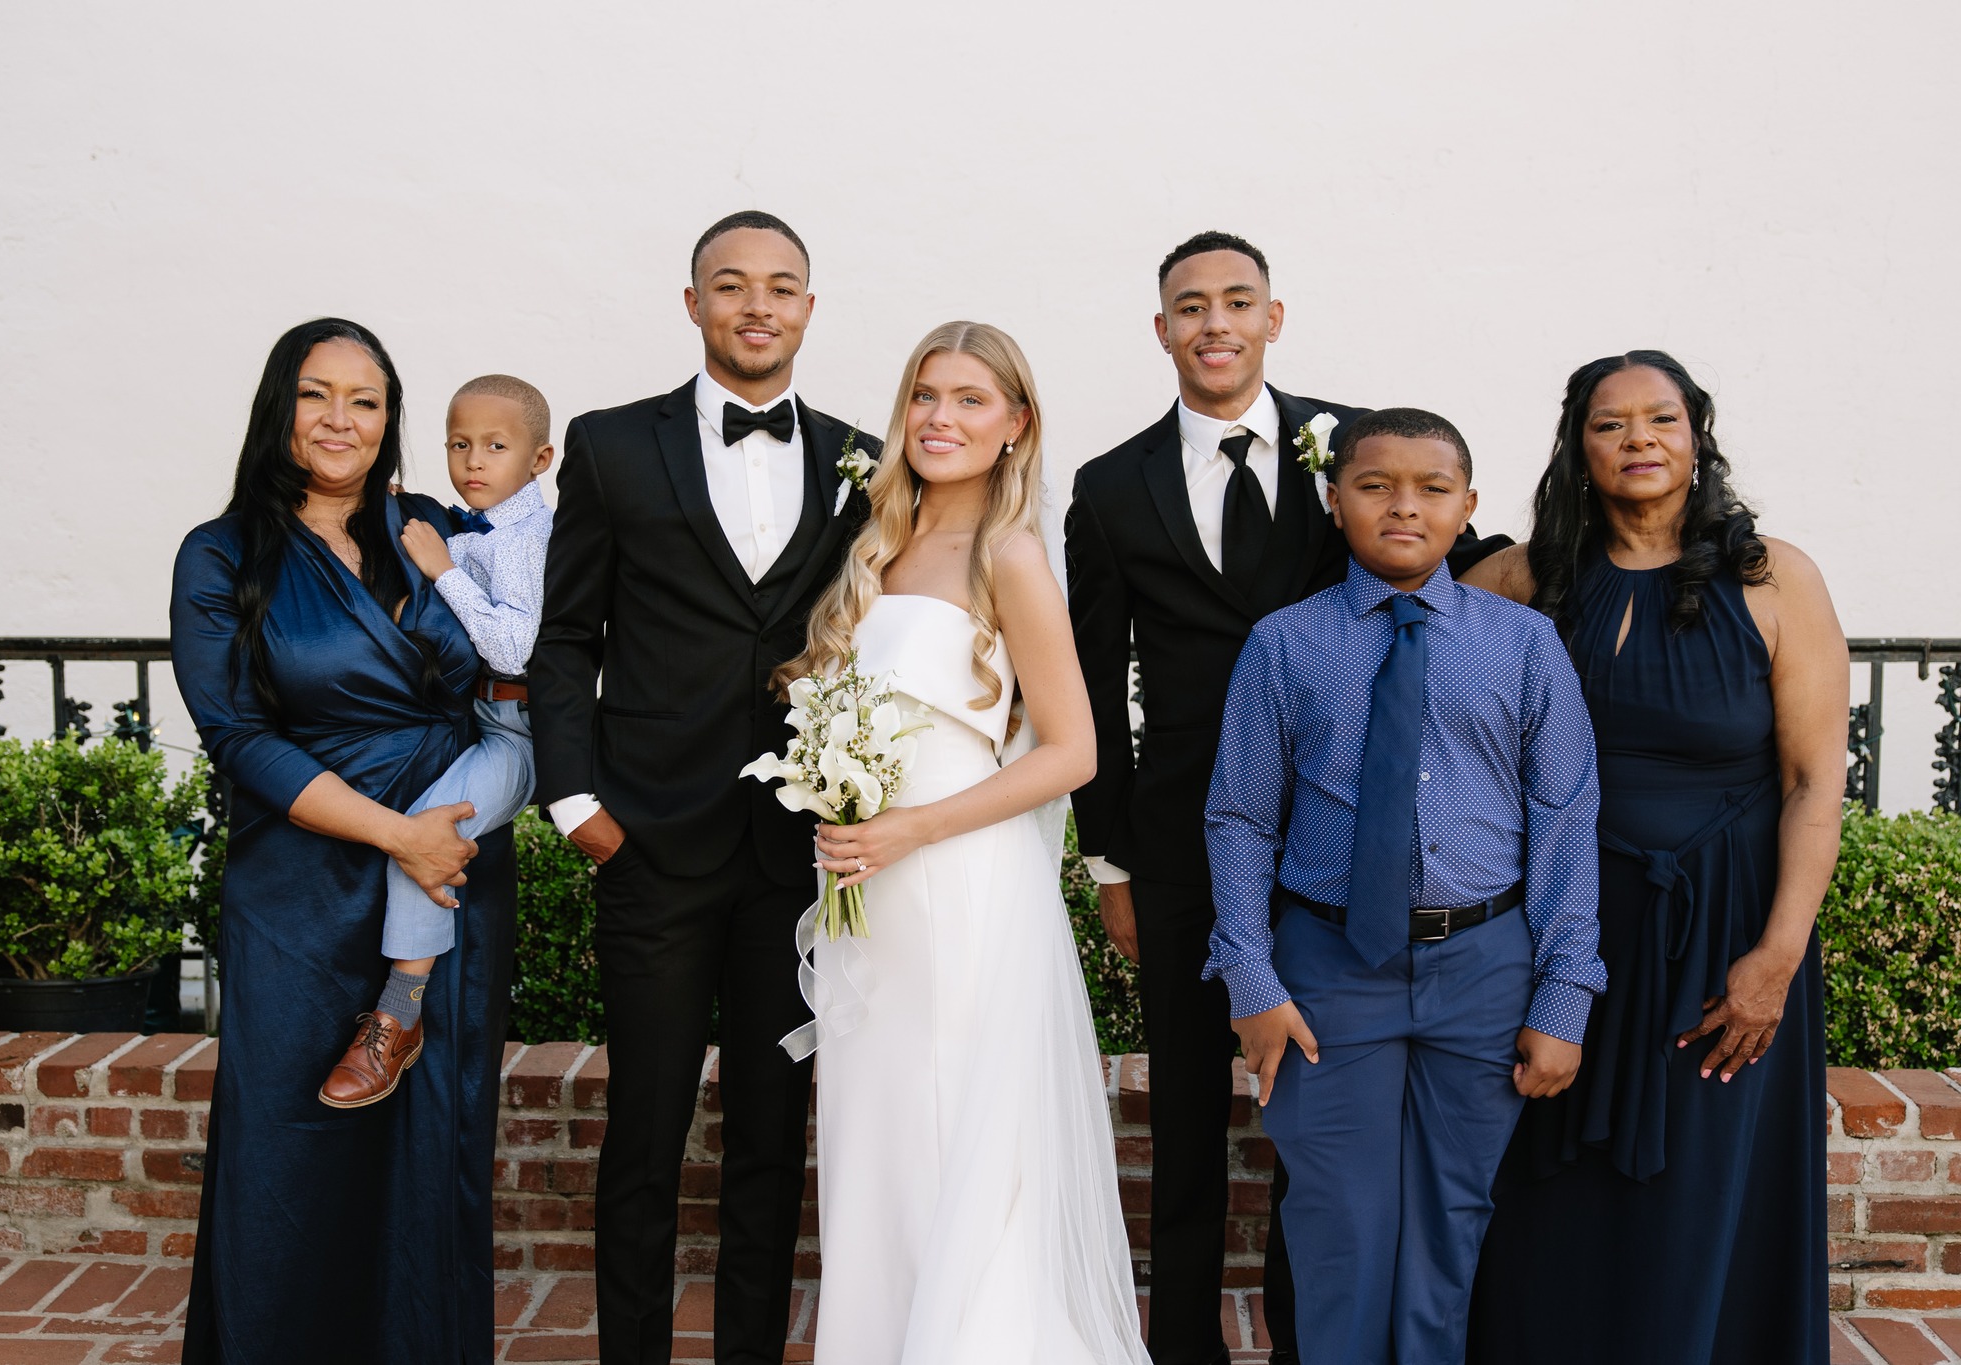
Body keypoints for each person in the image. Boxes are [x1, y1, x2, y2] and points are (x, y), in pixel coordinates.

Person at [1064, 231, 1507, 1365]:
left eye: (1236, 301)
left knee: (1321, 1116)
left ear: (1273, 318)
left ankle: (1311, 1342)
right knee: (1185, 1109)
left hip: (1338, 841)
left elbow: (1456, 557)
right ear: (1161, 328)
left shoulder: (1359, 450)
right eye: (1189, 306)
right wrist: (1109, 859)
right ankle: (1183, 1344)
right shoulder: (1108, 487)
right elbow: (1090, 680)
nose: (1213, 322)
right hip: (1181, 836)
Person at [529, 211, 878, 1365]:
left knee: (772, 1142)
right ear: (693, 304)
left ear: (808, 309)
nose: (756, 305)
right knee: (644, 1132)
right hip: (648, 841)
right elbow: (566, 636)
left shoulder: (862, 459)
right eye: (731, 285)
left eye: (780, 286)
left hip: (793, 859)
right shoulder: (609, 445)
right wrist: (575, 804)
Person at [1464, 351, 1844, 1365]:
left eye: (1660, 419)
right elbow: (1412, 676)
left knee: (1700, 1183)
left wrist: (1775, 960)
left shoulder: (1774, 578)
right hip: (1561, 928)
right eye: (1609, 424)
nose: (1637, 439)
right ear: (1576, 448)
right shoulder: (1519, 580)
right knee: (1547, 1178)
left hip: (1722, 934)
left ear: (1695, 437)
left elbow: (1813, 782)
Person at [1205, 408, 1606, 1365]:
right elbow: (1241, 819)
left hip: (1484, 966)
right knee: (1337, 1222)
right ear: (1335, 499)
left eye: (1432, 488)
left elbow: (1565, 817)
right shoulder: (1284, 644)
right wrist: (1252, 980)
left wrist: (1565, 993)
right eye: (1376, 485)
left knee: (1450, 1223)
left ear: (1468, 506)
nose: (1404, 506)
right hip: (1329, 968)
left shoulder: (1525, 644)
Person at [787, 320, 1147, 1365]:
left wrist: (912, 827)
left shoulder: (1010, 555)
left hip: (956, 878)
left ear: (1015, 424)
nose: (939, 419)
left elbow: (1072, 751)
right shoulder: (872, 544)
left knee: (952, 1124)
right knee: (879, 1126)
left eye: (969, 400)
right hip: (871, 889)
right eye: (924, 395)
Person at [169, 318, 513, 1362]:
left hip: (449, 865)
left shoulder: (433, 526)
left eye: (365, 401)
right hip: (306, 881)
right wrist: (397, 836)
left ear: (389, 419)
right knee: (291, 1136)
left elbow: (524, 626)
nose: (340, 420)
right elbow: (237, 736)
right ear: (279, 405)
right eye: (317, 394)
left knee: (435, 1134)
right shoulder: (221, 552)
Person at [319, 374, 554, 1107]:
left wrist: (445, 571)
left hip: (516, 733)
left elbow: (513, 650)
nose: (473, 460)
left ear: (540, 460)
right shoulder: (472, 521)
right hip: (470, 720)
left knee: (425, 834)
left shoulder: (525, 540)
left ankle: (399, 1013)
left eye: (495, 446)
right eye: (458, 444)